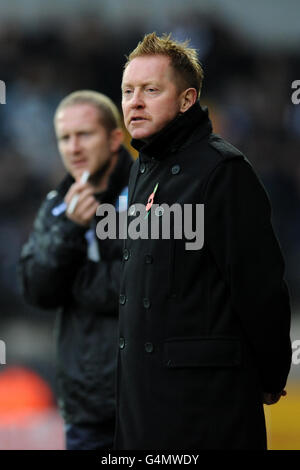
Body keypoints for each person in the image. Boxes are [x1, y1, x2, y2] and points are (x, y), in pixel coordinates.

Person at [115, 32, 292, 450]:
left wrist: (271, 375)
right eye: (127, 91)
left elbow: (259, 287)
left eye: (150, 90)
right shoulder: (141, 171)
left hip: (204, 410)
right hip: (141, 405)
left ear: (186, 100)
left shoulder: (223, 171)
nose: (134, 101)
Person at [18, 90, 132, 450]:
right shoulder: (57, 206)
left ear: (115, 138)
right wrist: (70, 229)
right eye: (65, 138)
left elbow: (150, 285)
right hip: (86, 410)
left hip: (149, 402)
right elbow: (35, 289)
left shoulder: (151, 196)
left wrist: (73, 281)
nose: (74, 147)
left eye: (85, 134)